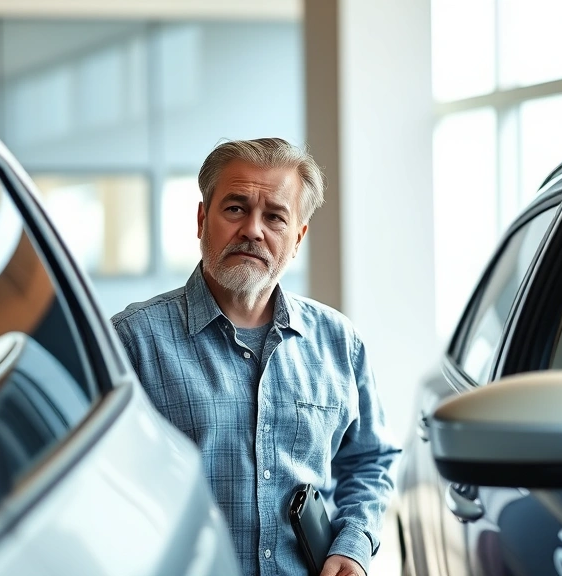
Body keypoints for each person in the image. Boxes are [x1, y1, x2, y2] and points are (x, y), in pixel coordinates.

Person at [112, 138, 400, 576]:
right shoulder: (132, 341)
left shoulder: (340, 342)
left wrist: (354, 542)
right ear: (202, 219)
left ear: (298, 237)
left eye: (275, 217)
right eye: (235, 209)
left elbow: (369, 459)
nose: (253, 229)